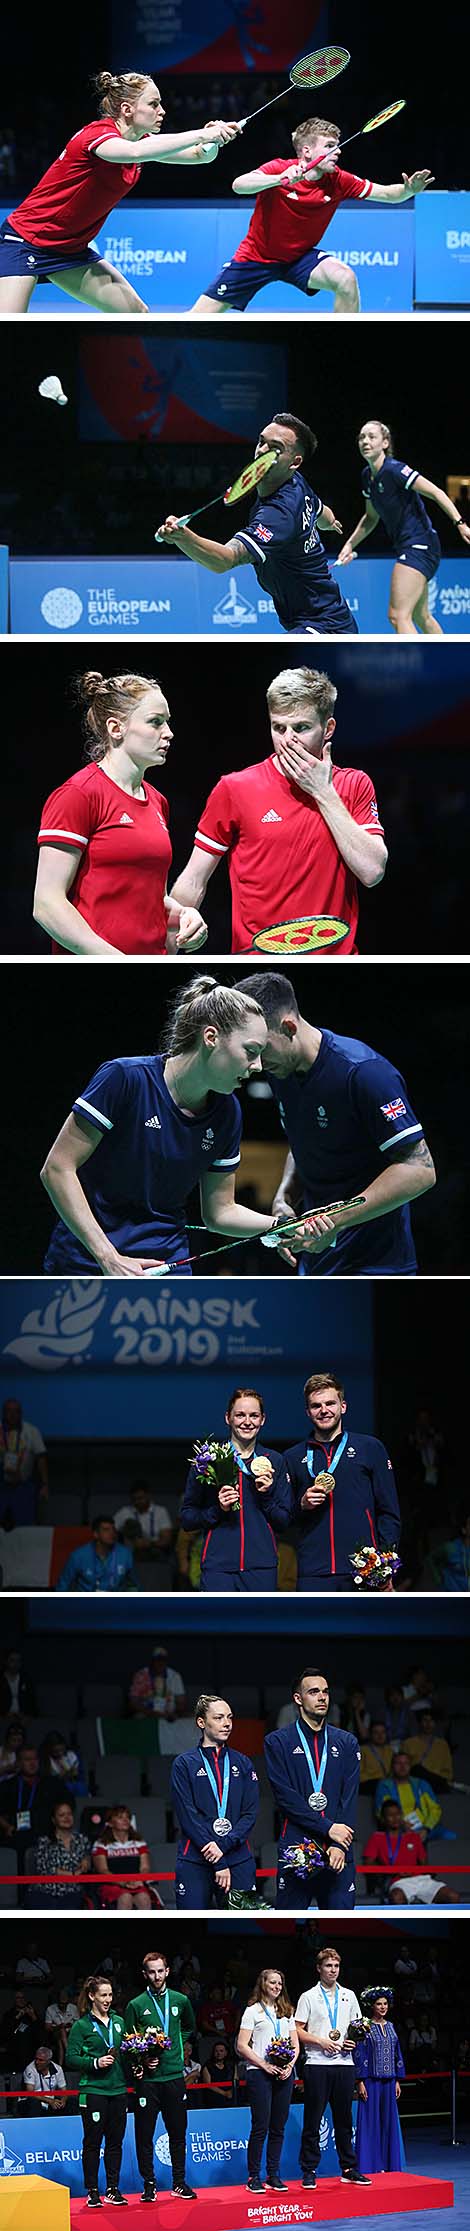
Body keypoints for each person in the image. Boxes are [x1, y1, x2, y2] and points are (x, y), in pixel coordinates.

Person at [39, 976, 282, 1277]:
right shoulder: (125, 1079)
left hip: (166, 1266)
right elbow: (57, 1169)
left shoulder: (227, 1112)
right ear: (211, 1037)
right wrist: (108, 1256)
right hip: (88, 1264)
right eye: (250, 1051)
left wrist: (281, 1226)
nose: (258, 1066)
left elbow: (220, 1212)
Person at [169, 664, 387, 956]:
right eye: (278, 727)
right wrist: (172, 938)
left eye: (301, 728)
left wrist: (323, 792)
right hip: (255, 960)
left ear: (328, 729)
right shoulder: (235, 788)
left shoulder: (354, 785)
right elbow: (194, 879)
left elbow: (372, 871)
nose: (288, 739)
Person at [237, 970, 436, 1276]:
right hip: (315, 1260)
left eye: (262, 1049)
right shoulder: (281, 1071)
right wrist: (285, 1196)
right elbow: (304, 1142)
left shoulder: (363, 1073)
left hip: (376, 1265)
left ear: (289, 1026)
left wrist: (337, 1220)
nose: (258, 1064)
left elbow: (420, 1170)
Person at [0, 71, 240, 313]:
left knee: (137, 314)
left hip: (70, 251)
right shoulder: (97, 136)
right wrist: (201, 134)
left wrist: (213, 141)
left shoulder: (142, 141)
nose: (162, 111)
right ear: (127, 109)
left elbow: (199, 156)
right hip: (25, 242)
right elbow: (134, 152)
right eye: (154, 104)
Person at [34, 670, 208, 958]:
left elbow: (148, 898)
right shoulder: (78, 795)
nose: (168, 733)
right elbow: (47, 904)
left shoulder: (157, 801)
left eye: (167, 722)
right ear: (116, 728)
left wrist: (184, 916)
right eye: (155, 722)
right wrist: (114, 959)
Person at [192, 114, 432, 316]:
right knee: (197, 317)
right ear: (306, 151)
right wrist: (280, 179)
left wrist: (408, 190)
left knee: (345, 279)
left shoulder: (339, 180)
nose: (337, 151)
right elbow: (239, 184)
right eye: (329, 145)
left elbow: (389, 194)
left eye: (337, 145)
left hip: (299, 258)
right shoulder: (279, 167)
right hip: (256, 257)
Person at [157, 413, 358, 637]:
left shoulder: (278, 515)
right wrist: (330, 523)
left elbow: (225, 560)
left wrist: (182, 537)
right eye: (262, 441)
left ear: (295, 462)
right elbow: (321, 511)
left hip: (325, 625)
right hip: (323, 617)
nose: (262, 451)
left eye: (275, 448)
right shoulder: (296, 482)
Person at [336, 420, 470, 636]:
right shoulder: (367, 477)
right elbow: (371, 517)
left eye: (372, 436)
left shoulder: (395, 470)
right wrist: (349, 545)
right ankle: (443, 657)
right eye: (361, 437)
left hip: (419, 544)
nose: (365, 441)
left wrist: (460, 524)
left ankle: (419, 666)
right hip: (410, 546)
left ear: (385, 442)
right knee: (421, 617)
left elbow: (437, 492)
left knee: (398, 616)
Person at [281, 1370, 400, 1589]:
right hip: (312, 1571)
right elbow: (284, 1517)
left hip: (364, 1567)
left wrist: (386, 1564)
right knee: (314, 1625)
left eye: (330, 1403)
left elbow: (389, 1512)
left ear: (342, 1406)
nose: (324, 1410)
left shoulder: (370, 1448)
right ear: (308, 1412)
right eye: (316, 1406)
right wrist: (301, 1505)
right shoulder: (293, 1457)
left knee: (365, 1625)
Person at [264, 1668, 360, 1909]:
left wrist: (339, 1844)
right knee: (287, 1925)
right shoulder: (277, 1742)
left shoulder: (347, 1742)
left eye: (326, 1692)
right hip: (297, 1849)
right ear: (298, 1699)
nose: (322, 1697)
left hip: (339, 1849)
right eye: (314, 1691)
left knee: (341, 1926)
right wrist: (330, 1829)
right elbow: (286, 1800)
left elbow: (349, 1799)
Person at [180, 1386, 289, 1591]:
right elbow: (187, 1518)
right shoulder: (207, 1461)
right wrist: (218, 1510)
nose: (247, 1422)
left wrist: (266, 1496)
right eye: (240, 1415)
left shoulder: (275, 1461)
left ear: (262, 1419)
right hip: (217, 1570)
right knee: (216, 1624)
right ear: (228, 1418)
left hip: (261, 1569)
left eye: (254, 1415)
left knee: (258, 1624)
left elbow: (284, 1521)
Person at [170, 1693, 259, 1907]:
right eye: (219, 1718)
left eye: (229, 1717)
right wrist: (218, 1859)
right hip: (195, 1860)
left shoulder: (244, 1763)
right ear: (201, 1722)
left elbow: (250, 1813)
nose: (227, 1723)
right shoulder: (184, 1764)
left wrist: (224, 1847)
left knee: (242, 1929)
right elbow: (188, 1817)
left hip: (238, 1860)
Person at [124, 1950, 197, 2202]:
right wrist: (143, 2057)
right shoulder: (136, 2005)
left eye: (160, 1971)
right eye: (151, 1972)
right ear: (145, 1974)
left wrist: (174, 2044)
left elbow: (188, 2027)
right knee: (145, 2135)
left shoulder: (180, 2000)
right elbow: (128, 2042)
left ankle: (179, 2182)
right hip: (148, 2082)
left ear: (167, 1971)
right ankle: (149, 2184)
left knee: (178, 2133)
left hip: (174, 2077)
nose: (156, 1976)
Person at [294, 1946, 369, 2188]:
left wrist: (353, 2040)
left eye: (336, 1966)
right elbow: (296, 2030)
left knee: (344, 2120)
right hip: (317, 2064)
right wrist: (321, 2041)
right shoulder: (308, 1996)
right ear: (319, 1968)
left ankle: (348, 2168)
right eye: (328, 1966)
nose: (333, 1970)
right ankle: (309, 2170)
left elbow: (359, 2027)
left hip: (345, 2065)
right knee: (313, 2120)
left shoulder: (349, 1995)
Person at [67, 1973, 128, 2209]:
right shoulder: (81, 2026)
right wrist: (94, 2062)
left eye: (110, 1994)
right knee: (92, 2143)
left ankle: (112, 2189)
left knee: (116, 2142)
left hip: (118, 2090)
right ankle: (92, 2190)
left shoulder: (119, 2022)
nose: (108, 1999)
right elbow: (71, 2058)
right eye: (103, 1995)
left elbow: (126, 2052)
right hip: (93, 2091)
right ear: (92, 1996)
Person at [237, 1966, 299, 2193]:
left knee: (278, 2128)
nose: (277, 1987)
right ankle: (254, 2176)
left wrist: (290, 2066)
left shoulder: (287, 2011)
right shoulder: (252, 2011)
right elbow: (241, 2045)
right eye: (273, 1982)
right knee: (260, 2126)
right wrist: (265, 2065)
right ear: (263, 1984)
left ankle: (274, 2175)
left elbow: (295, 2044)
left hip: (284, 2074)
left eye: (280, 1983)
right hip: (259, 2073)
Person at [354, 1988, 405, 2171]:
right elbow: (360, 2054)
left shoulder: (391, 2026)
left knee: (388, 2123)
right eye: (379, 2004)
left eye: (385, 2004)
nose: (383, 2007)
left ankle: (389, 2164)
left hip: (389, 2081)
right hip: (371, 2081)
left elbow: (397, 2053)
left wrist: (398, 2080)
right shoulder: (365, 2027)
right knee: (370, 2123)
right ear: (372, 2006)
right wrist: (360, 2081)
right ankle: (369, 2165)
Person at [363, 1802, 450, 1906]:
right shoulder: (377, 1838)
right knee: (397, 1898)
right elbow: (368, 1863)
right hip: (398, 1881)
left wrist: (416, 1871)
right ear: (383, 1819)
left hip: (421, 1879)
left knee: (452, 1896)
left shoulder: (413, 1837)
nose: (395, 1818)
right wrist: (392, 1871)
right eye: (390, 1815)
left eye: (398, 1814)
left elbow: (424, 1864)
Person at [0, 1744, 70, 1868]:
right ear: (18, 1762)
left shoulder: (52, 1783)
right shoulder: (7, 1786)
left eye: (35, 1759)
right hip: (16, 1835)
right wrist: (6, 1827)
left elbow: (68, 1804)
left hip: (47, 1833)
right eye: (27, 1760)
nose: (32, 1763)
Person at [92, 1805, 159, 1909]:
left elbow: (144, 1868)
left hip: (136, 1883)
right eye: (120, 1817)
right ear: (110, 1823)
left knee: (144, 1898)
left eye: (127, 1817)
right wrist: (122, 1882)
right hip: (112, 1885)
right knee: (125, 1897)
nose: (125, 1820)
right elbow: (103, 1870)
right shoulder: (101, 1844)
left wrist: (138, 1881)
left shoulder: (139, 1842)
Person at [32, 1797, 91, 1907]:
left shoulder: (82, 1839)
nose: (67, 1818)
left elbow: (88, 1858)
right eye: (61, 1815)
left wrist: (86, 1860)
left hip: (73, 1891)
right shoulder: (44, 1841)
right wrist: (72, 1875)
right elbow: (44, 1868)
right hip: (45, 1890)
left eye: (69, 1814)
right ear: (54, 1820)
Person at [55, 1517, 135, 1593]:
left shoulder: (125, 1554)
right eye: (106, 1530)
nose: (112, 1533)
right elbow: (63, 1585)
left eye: (113, 1529)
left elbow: (133, 1585)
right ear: (96, 1534)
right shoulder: (78, 1555)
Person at [0, 1398, 48, 1526]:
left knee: (25, 1525)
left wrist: (44, 1484)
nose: (12, 1414)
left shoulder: (32, 1431)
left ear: (21, 1413)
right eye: (8, 1411)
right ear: (3, 1413)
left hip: (23, 1486)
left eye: (16, 1411)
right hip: (1, 1484)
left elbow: (41, 1458)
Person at [375, 1753, 442, 1837]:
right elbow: (381, 1811)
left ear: (410, 1766)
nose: (402, 1767)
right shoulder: (385, 1786)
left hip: (424, 1828)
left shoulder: (421, 1784)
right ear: (392, 1766)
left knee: (450, 1837)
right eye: (398, 1763)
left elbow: (435, 1809)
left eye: (406, 1763)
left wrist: (426, 1828)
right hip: (397, 1830)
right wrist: (400, 1824)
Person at [113, 1481, 173, 1554]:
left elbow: (166, 1540)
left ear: (148, 1496)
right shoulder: (124, 1512)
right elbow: (110, 1531)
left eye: (140, 1498)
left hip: (154, 1550)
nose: (137, 1502)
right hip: (131, 1551)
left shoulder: (160, 1511)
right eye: (134, 1499)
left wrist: (149, 1544)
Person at [129, 1645, 187, 1719]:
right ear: (152, 1661)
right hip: (147, 1714)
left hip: (169, 1716)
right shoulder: (141, 1675)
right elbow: (133, 1702)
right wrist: (150, 1712)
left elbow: (181, 1702)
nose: (160, 1663)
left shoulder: (174, 1676)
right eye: (158, 1660)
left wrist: (175, 1713)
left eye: (163, 1660)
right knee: (138, 1717)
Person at [404, 1713, 453, 1788]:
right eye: (425, 1720)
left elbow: (448, 1769)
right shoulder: (408, 1743)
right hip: (416, 1780)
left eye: (431, 1721)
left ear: (435, 1723)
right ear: (420, 1723)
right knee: (417, 1769)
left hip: (438, 1781)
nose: (428, 1724)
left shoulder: (442, 1744)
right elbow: (403, 1767)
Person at [23, 2042, 66, 2113]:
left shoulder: (58, 2069)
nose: (37, 2062)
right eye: (36, 2059)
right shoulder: (30, 2069)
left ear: (48, 2061)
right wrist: (49, 2101)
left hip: (51, 2100)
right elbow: (30, 2092)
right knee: (34, 2103)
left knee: (71, 2103)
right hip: (34, 2100)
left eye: (41, 2060)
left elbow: (64, 2090)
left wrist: (63, 2101)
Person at [0, 1648, 36, 1718]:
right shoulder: (1, 1680)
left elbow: (31, 1702)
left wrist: (25, 1714)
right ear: (6, 1661)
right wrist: (4, 1713)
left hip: (22, 1718)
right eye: (12, 1660)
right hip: (3, 1717)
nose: (16, 1664)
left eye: (18, 1661)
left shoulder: (26, 1679)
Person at [360, 1723, 394, 1790]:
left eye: (383, 1732)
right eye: (376, 1732)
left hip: (387, 1783)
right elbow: (358, 1774)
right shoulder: (362, 1750)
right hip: (368, 1784)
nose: (380, 1735)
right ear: (370, 1734)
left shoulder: (390, 1750)